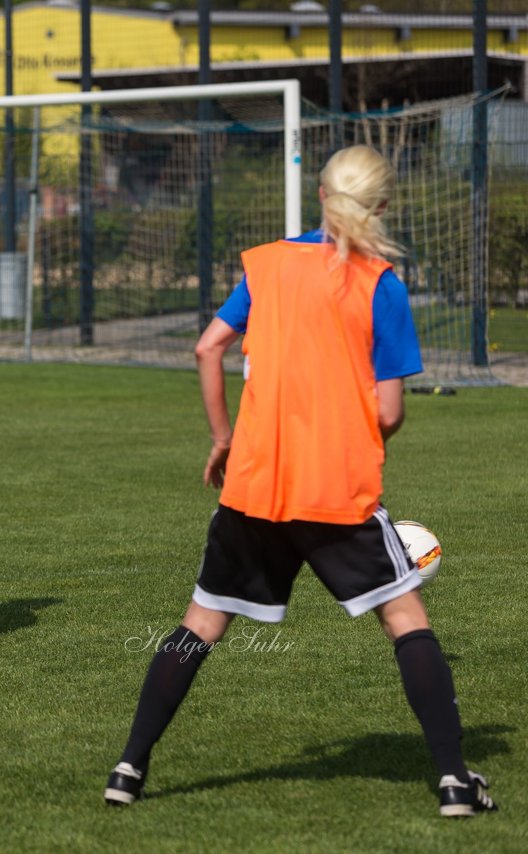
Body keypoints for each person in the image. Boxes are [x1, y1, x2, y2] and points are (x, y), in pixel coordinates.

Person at [102, 145, 497, 818]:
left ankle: (128, 767)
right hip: (334, 489)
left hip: (255, 483)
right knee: (406, 620)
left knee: (201, 622)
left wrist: (225, 438)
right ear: (382, 206)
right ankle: (457, 781)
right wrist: (357, 433)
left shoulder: (265, 264)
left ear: (319, 195)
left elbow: (207, 348)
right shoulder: (382, 283)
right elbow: (390, 410)